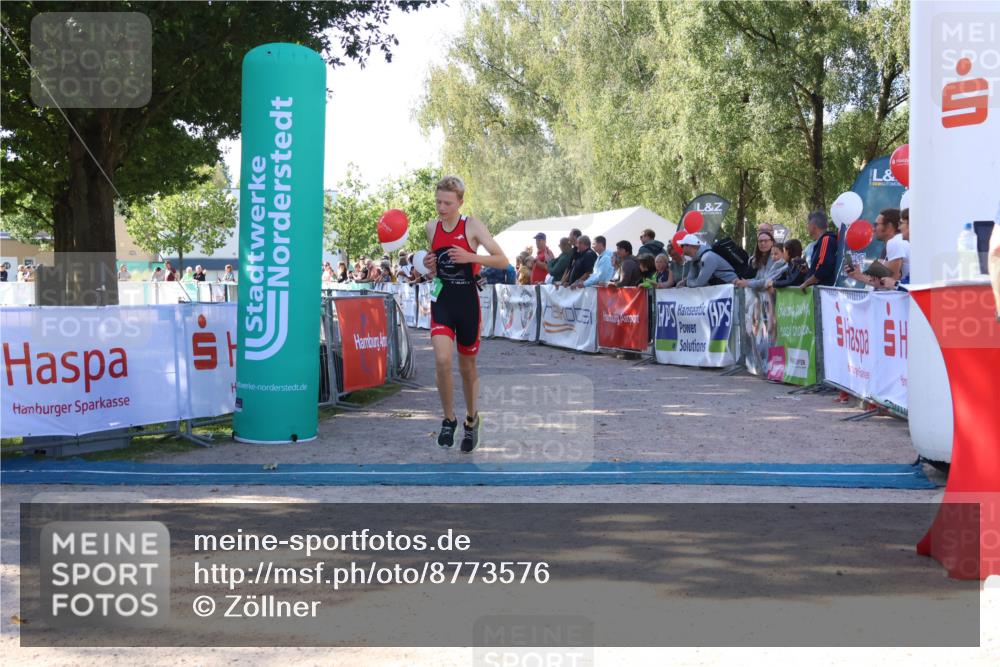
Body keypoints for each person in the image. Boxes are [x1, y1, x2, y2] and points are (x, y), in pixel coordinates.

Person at [421, 175, 508, 452]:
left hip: (467, 303)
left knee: (467, 367)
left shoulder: (471, 226)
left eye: (447, 202)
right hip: (442, 300)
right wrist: (428, 263)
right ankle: (449, 419)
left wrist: (472, 257)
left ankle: (472, 420)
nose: (441, 207)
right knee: (442, 360)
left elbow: (502, 260)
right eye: (438, 201)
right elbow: (434, 263)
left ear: (460, 201)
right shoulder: (431, 227)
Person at [845, 208, 907, 289]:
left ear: (889, 226)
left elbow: (889, 283)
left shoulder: (894, 242)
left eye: (876, 225)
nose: (873, 229)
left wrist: (861, 275)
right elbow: (881, 281)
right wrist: (858, 275)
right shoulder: (895, 243)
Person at [798, 211, 838, 292]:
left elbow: (824, 269)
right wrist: (809, 271)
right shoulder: (822, 241)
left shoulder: (826, 240)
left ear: (813, 226)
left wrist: (806, 283)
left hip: (824, 293)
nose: (807, 228)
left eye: (808, 224)